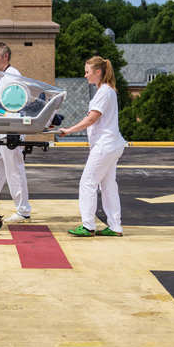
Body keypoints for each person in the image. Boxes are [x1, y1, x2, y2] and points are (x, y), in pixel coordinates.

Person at [59, 56, 127, 237]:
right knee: (108, 185)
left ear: (98, 72)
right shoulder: (108, 90)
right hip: (112, 144)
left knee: (87, 183)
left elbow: (92, 118)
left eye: (88, 71)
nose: (85, 75)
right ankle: (115, 226)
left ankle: (88, 226)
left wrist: (69, 130)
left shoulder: (104, 91)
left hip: (105, 145)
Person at [0, 42, 32, 223]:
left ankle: (23, 210)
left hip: (11, 128)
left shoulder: (13, 77)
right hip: (1, 127)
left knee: (14, 170)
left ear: (5, 57)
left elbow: (9, 104)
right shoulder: (3, 77)